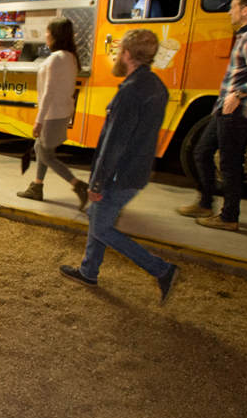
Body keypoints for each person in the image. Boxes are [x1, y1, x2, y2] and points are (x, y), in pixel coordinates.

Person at [59, 29, 180, 305]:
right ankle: (88, 271)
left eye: (119, 50)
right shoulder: (155, 86)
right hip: (137, 171)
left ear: (127, 54)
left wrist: (98, 182)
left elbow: (114, 143)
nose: (116, 55)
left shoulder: (131, 92)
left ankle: (162, 269)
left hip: (119, 174)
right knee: (98, 218)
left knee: (101, 227)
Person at [177, 0, 247, 231]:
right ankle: (205, 203)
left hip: (237, 110)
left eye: (233, 7)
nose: (229, 12)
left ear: (246, 10)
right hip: (226, 107)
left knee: (229, 164)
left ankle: (229, 217)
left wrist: (240, 93)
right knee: (202, 152)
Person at [17, 18, 90, 210]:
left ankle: (79, 186)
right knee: (41, 149)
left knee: (46, 155)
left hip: (52, 114)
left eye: (48, 31)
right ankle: (37, 186)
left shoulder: (57, 58)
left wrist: (38, 121)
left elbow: (48, 92)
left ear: (56, 35)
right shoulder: (70, 56)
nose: (45, 34)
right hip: (61, 112)